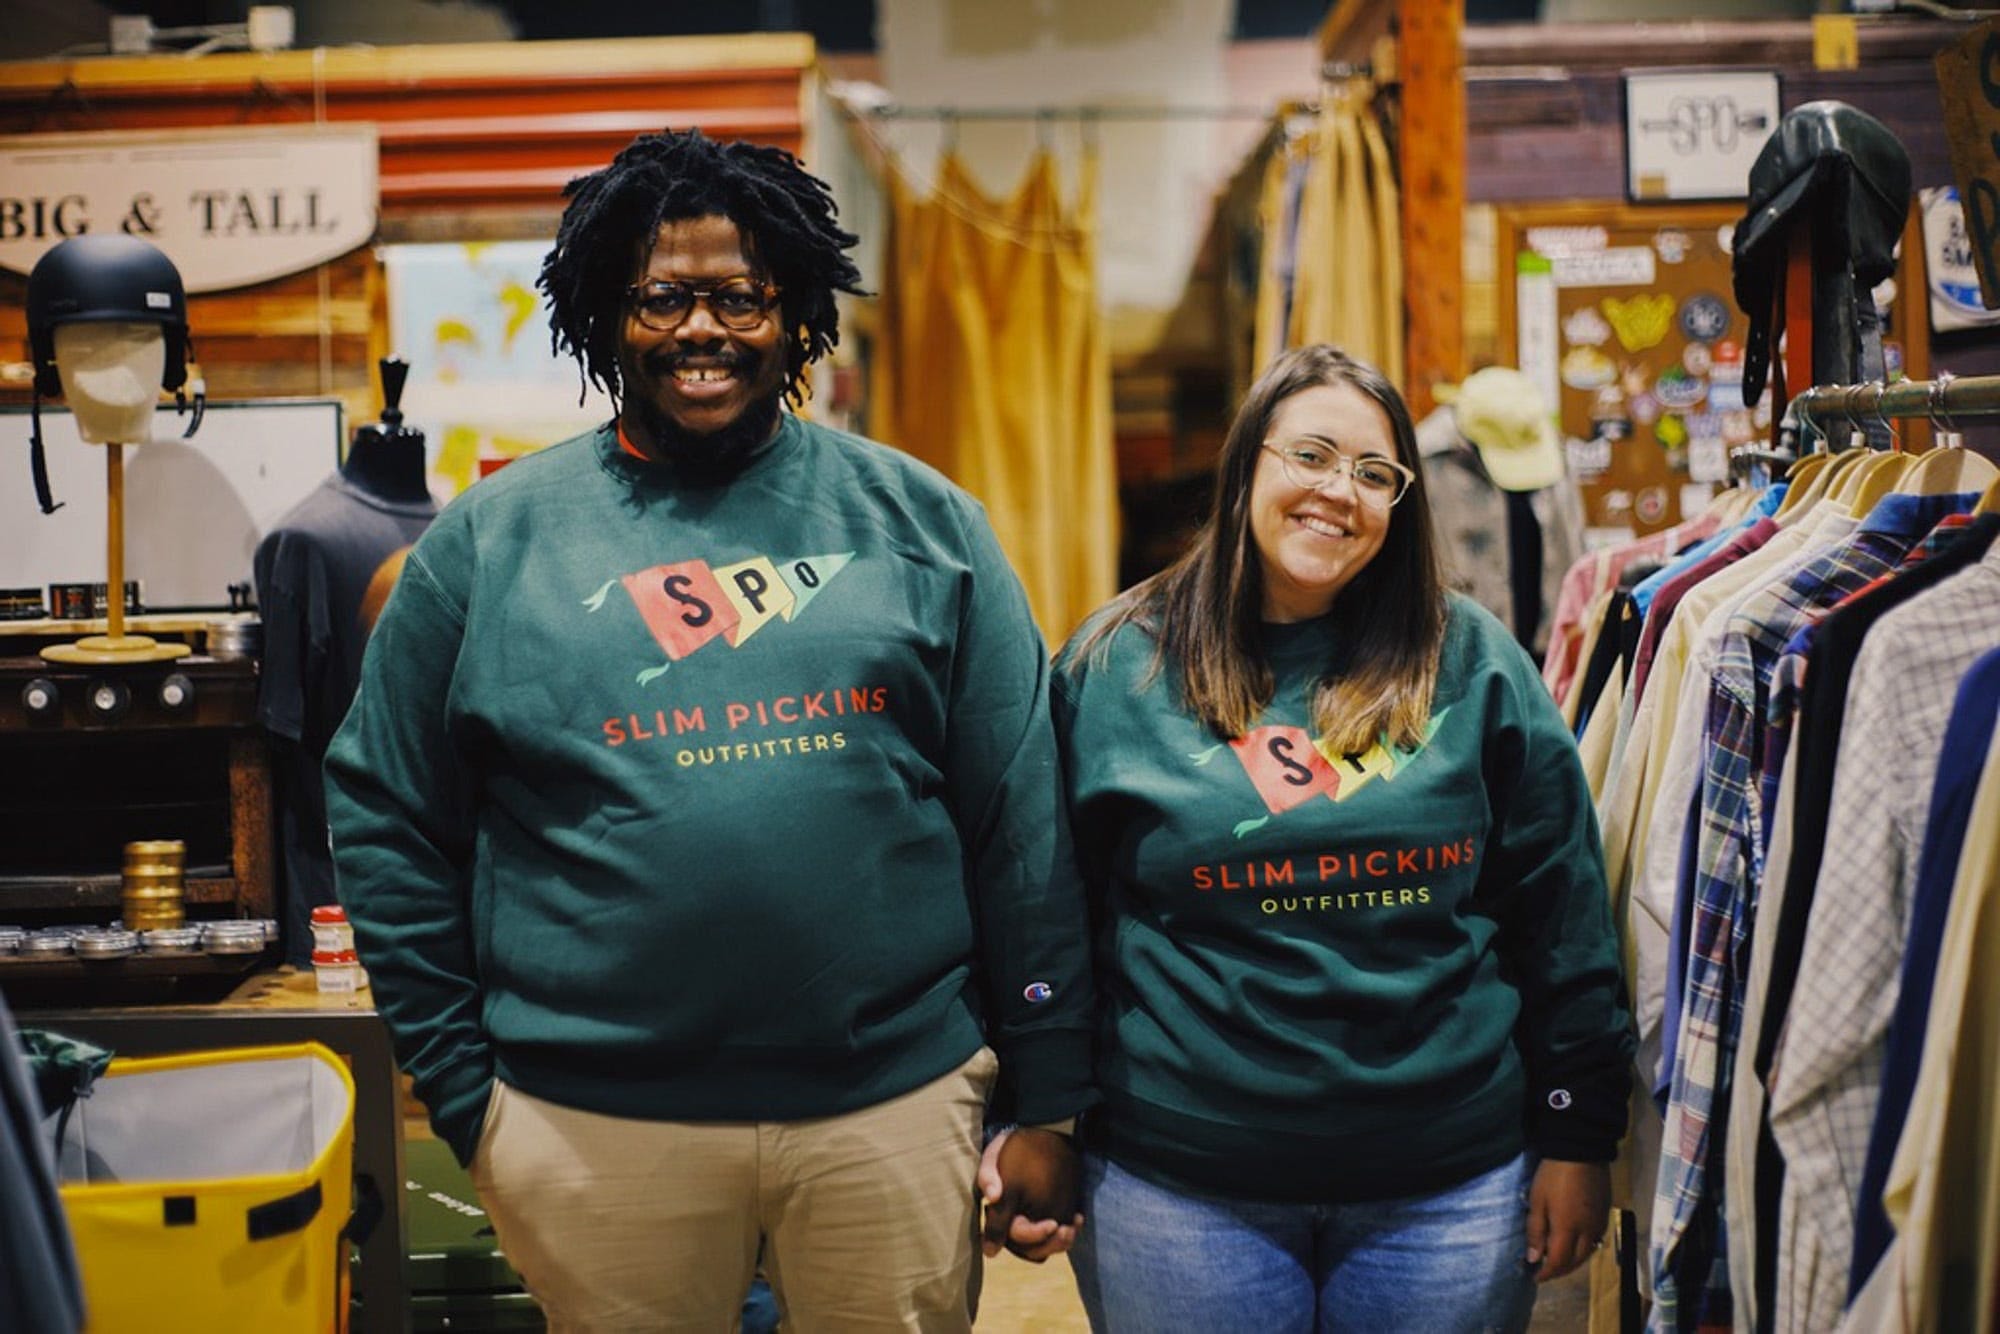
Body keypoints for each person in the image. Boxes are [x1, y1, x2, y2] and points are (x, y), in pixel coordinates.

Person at [323, 127, 1095, 1332]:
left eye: (740, 297)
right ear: (604, 313)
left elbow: (1020, 816)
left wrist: (1046, 1092)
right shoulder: (486, 542)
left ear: (795, 314)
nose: (701, 329)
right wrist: (465, 1090)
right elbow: (385, 813)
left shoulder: (922, 521)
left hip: (888, 1110)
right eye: (661, 298)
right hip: (591, 1127)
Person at [1050, 344, 1634, 1332]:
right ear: (1247, 463)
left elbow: (1561, 908)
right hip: (1178, 1189)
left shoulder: (1473, 659)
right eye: (1311, 455)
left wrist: (1579, 1131)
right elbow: (1047, 909)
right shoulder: (1115, 665)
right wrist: (1038, 1113)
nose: (1338, 491)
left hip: (1448, 1190)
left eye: (1373, 472)